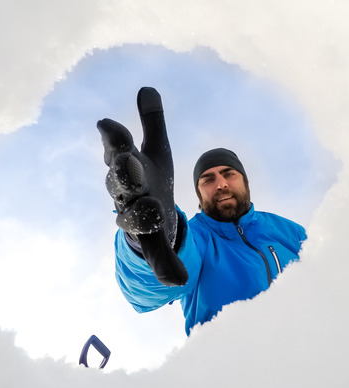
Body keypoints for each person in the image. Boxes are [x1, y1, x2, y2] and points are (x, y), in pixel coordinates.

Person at [97, 87, 307, 335]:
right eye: (208, 179)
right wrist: (146, 240)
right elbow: (143, 294)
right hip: (235, 357)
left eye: (229, 174)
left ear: (245, 181)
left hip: (312, 350)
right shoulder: (196, 237)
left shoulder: (288, 230)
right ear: (199, 194)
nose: (221, 184)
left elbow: (330, 276)